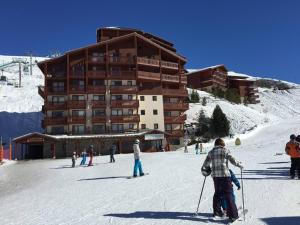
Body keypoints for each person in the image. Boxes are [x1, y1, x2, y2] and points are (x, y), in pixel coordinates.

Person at [202, 138, 243, 223]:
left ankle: (217, 212)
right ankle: (233, 215)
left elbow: (205, 164)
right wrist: (239, 165)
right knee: (228, 194)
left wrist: (206, 170)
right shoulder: (225, 151)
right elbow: (232, 160)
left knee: (218, 194)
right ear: (222, 144)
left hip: (215, 177)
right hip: (225, 176)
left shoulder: (211, 152)